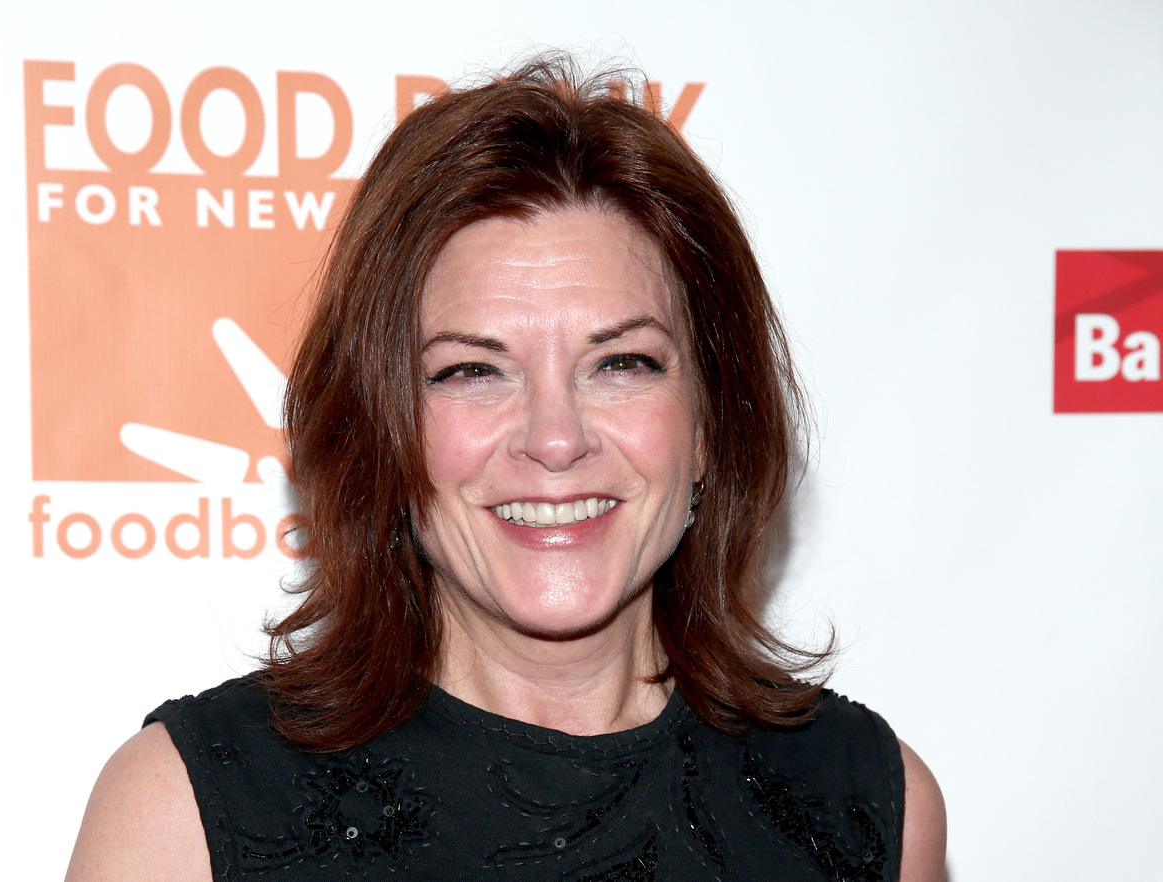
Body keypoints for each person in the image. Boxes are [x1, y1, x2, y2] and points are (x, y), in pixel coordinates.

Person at [66, 57, 946, 881]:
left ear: (713, 418)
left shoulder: (869, 803)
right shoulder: (183, 814)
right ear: (383, 430)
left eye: (622, 363)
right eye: (472, 372)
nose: (555, 440)